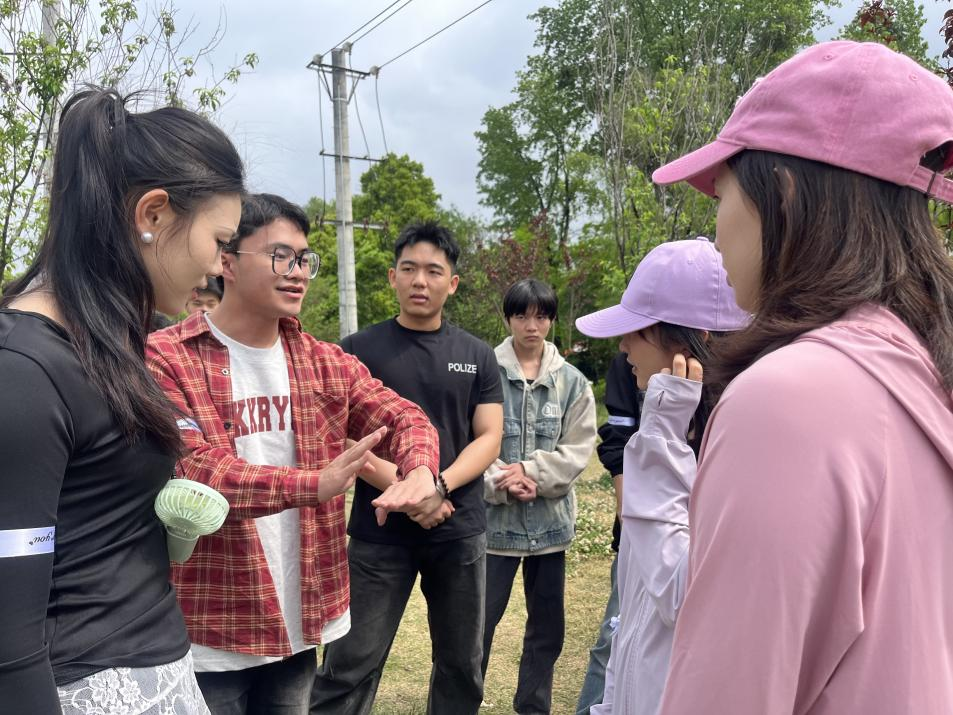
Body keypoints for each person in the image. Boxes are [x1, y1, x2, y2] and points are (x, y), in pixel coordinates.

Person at [646, 40, 953, 713]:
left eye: (721, 192)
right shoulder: (924, 371)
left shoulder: (791, 400)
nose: (715, 232)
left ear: (780, 193)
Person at [0, 87, 245, 713]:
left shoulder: (109, 345)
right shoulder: (25, 369)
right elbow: (9, 640)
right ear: (154, 214)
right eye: (219, 240)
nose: (220, 267)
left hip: (156, 670)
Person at [147, 194, 440, 715]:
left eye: (304, 258)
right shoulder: (168, 356)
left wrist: (419, 468)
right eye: (280, 256)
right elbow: (197, 469)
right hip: (212, 620)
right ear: (227, 261)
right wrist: (314, 483)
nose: (299, 272)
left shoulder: (325, 362)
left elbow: (404, 416)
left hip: (301, 615)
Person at [311, 220, 504, 715]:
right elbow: (342, 435)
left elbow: (489, 436)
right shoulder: (356, 350)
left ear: (452, 283)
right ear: (392, 277)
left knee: (462, 664)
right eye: (409, 268)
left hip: (457, 526)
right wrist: (406, 490)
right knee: (350, 663)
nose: (421, 280)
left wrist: (438, 487)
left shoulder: (477, 355)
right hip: (379, 531)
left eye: (434, 271)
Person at [575, 237, 748, 714]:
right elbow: (633, 617)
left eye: (639, 330)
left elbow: (680, 596)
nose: (623, 344)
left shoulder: (740, 444)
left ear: (695, 339)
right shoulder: (671, 428)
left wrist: (662, 437)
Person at [481, 279, 597, 714]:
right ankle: (460, 701)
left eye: (542, 316)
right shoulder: (485, 374)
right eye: (522, 316)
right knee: (476, 627)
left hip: (549, 529)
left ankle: (533, 706)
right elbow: (469, 441)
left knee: (547, 631)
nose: (532, 326)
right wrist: (500, 481)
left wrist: (531, 472)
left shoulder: (573, 383)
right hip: (494, 530)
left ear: (552, 320)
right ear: (508, 318)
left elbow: (578, 448)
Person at [574, 352, 642, 715]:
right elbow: (617, 441)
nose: (626, 343)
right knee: (614, 636)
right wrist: (628, 514)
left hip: (709, 532)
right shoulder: (625, 361)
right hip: (638, 532)